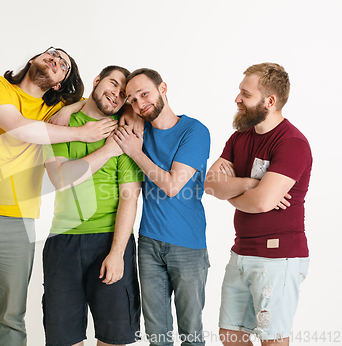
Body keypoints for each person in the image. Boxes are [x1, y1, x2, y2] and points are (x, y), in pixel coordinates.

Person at [0, 47, 118, 346]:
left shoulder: (52, 112)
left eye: (63, 65)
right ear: (32, 60)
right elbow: (18, 128)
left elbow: (91, 102)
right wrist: (81, 133)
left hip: (18, 223)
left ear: (58, 85)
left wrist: (68, 108)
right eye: (52, 54)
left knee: (11, 317)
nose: (56, 60)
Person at [204, 63, 311, 346]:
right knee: (231, 336)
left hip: (279, 257)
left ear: (270, 101)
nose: (237, 99)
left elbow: (263, 203)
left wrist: (241, 191)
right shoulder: (240, 137)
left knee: (272, 340)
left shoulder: (292, 143)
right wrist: (250, 184)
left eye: (245, 94)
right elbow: (211, 184)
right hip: (241, 252)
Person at [43, 65, 143, 346]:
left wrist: (118, 253)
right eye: (112, 84)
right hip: (63, 242)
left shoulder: (126, 131)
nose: (116, 94)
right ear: (97, 80)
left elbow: (129, 197)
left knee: (115, 339)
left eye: (123, 94)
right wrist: (109, 150)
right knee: (64, 339)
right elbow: (60, 179)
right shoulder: (62, 124)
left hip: (111, 241)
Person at [114, 68, 211, 346]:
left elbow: (171, 186)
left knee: (191, 334)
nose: (139, 102)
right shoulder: (139, 129)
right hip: (149, 244)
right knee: (157, 336)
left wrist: (135, 151)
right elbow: (102, 103)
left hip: (188, 246)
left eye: (144, 93)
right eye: (132, 99)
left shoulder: (194, 131)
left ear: (163, 88)